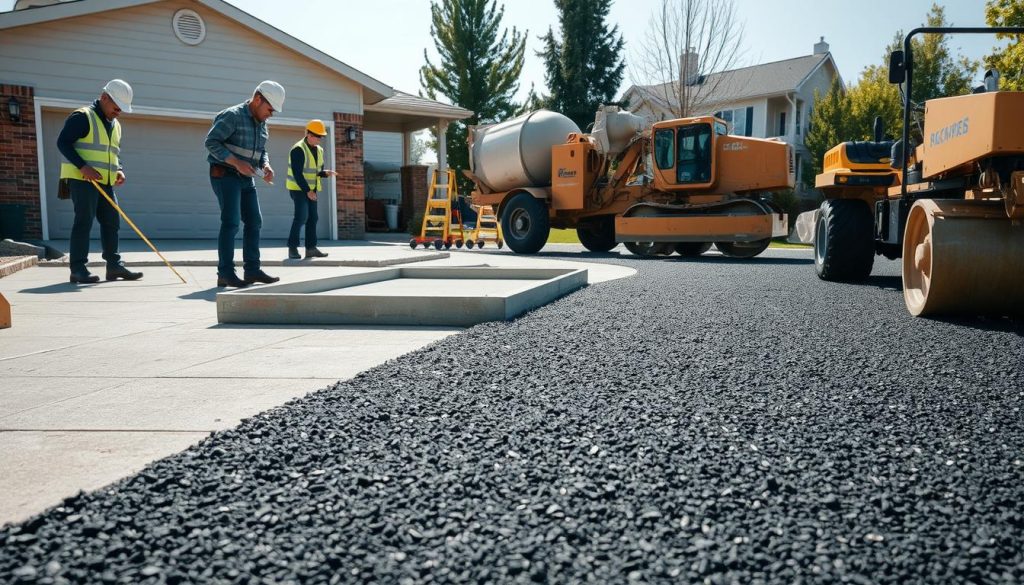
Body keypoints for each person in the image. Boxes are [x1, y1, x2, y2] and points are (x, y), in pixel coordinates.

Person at [58, 79, 143, 284]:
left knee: (112, 221)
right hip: (82, 179)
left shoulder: (116, 125)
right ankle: (78, 269)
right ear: (104, 97)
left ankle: (114, 266)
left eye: (122, 109)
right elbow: (63, 142)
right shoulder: (82, 117)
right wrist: (83, 166)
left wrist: (119, 170)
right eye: (116, 107)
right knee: (84, 221)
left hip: (104, 181)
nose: (119, 112)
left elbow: (113, 153)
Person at [204, 80, 285, 288]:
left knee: (254, 221)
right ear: (258, 99)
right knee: (231, 222)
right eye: (269, 109)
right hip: (225, 175)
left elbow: (262, 151)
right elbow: (211, 142)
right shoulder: (232, 116)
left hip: (246, 177)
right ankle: (225, 274)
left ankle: (252, 271)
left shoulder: (263, 124)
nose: (271, 114)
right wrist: (236, 162)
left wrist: (265, 165)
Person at [285, 120, 337, 259]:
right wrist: (308, 191)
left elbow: (316, 171)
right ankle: (292, 248)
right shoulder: (298, 149)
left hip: (312, 189)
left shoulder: (319, 150)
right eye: (317, 136)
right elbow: (297, 173)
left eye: (321, 136)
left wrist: (325, 173)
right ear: (309, 134)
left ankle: (311, 248)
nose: (320, 139)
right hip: (298, 189)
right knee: (301, 217)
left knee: (313, 218)